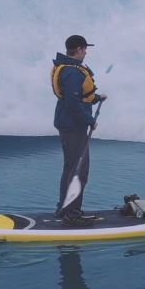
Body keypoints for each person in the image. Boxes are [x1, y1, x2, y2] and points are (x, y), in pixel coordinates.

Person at [52, 35, 108, 222]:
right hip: (74, 126)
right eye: (84, 49)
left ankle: (64, 209)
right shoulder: (73, 72)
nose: (86, 52)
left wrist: (96, 98)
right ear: (78, 49)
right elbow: (73, 103)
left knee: (70, 168)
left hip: (68, 123)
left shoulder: (67, 68)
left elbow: (77, 96)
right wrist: (89, 120)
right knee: (79, 171)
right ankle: (72, 214)